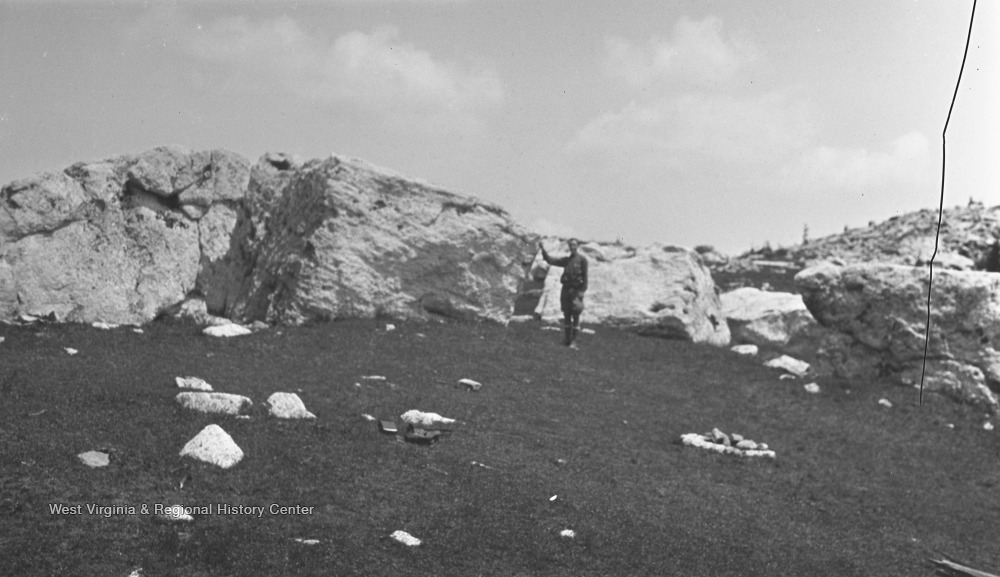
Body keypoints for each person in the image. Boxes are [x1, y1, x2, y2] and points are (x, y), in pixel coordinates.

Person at [539, 238, 589, 349]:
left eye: (574, 245)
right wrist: (543, 251)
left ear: (578, 246)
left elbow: (585, 278)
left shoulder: (582, 260)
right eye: (571, 245)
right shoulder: (567, 260)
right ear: (569, 246)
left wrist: (582, 291)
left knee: (575, 315)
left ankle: (574, 341)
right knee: (566, 314)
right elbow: (551, 260)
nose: (573, 247)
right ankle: (567, 340)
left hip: (576, 290)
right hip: (566, 289)